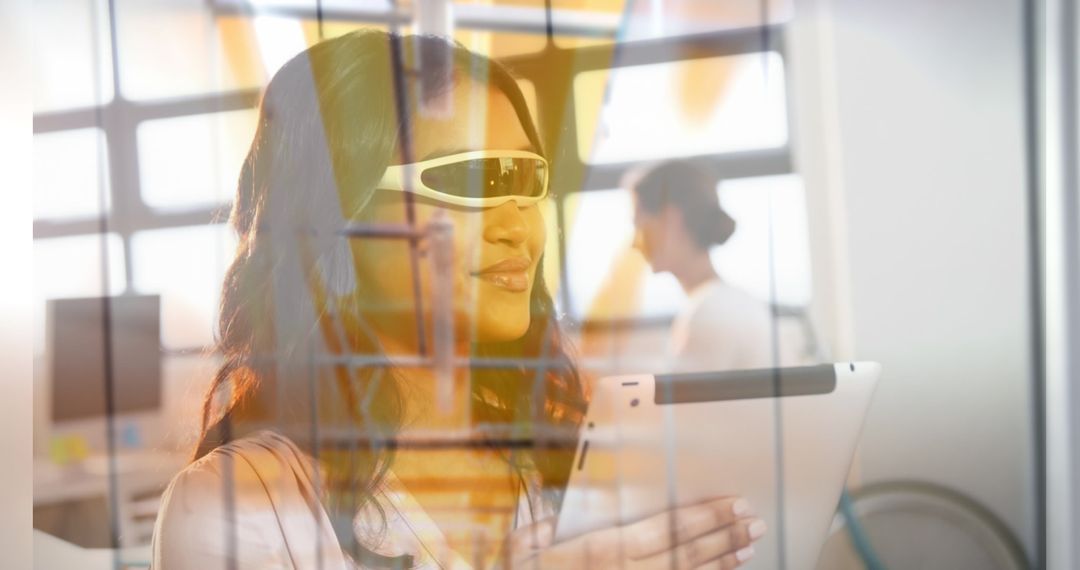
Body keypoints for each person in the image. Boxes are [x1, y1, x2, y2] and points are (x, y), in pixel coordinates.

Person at [152, 31, 766, 569]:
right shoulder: (233, 506)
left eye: (526, 181)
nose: (517, 226)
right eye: (470, 181)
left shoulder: (568, 467)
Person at [630, 160, 775, 373]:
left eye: (639, 225)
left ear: (671, 221)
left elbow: (684, 404)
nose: (634, 243)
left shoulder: (709, 311)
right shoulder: (730, 301)